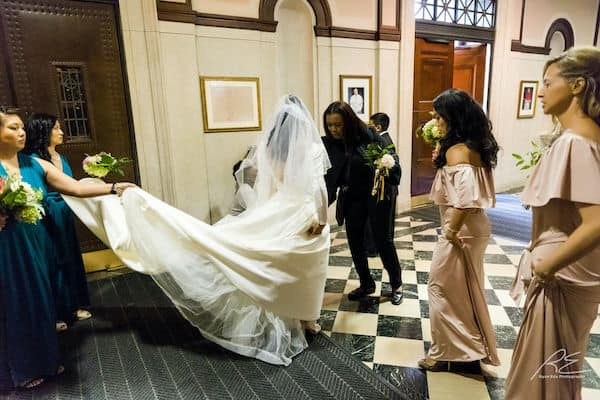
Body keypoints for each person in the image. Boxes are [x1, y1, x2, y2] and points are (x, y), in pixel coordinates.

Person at [61, 95, 331, 366]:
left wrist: (262, 215)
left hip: (279, 209)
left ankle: (291, 313)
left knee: (270, 263)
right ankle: (307, 317)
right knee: (305, 266)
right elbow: (319, 190)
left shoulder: (271, 149)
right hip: (301, 213)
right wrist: (320, 219)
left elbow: (268, 186)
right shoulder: (311, 149)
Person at [0, 109, 134, 391]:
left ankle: (43, 361)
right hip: (7, 248)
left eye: (22, 127)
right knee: (15, 303)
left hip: (35, 243)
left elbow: (75, 188)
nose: (21, 132)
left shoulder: (34, 164)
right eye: (13, 128)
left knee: (39, 299)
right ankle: (20, 370)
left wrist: (114, 187)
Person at [505, 46, 600, 399]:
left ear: (577, 86)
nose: (540, 91)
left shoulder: (575, 142)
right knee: (556, 371)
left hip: (562, 275)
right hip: (570, 271)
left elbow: (596, 222)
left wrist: (546, 267)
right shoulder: (584, 137)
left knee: (540, 378)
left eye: (547, 82)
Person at [418, 89, 500, 371]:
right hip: (476, 228)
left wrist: (450, 232)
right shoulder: (475, 146)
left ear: (454, 118)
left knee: (439, 288)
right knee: (466, 291)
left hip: (461, 229)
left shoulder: (457, 152)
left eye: (440, 117)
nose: (437, 123)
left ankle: (443, 353)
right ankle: (470, 348)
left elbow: (464, 200)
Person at [322, 102, 403, 305]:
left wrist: (389, 166)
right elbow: (328, 177)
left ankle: (396, 285)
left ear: (348, 122)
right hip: (352, 197)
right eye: (329, 125)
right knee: (355, 242)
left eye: (338, 125)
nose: (333, 129)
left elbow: (391, 156)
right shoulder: (329, 144)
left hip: (377, 194)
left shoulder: (367, 135)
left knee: (383, 240)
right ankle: (367, 283)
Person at [22, 113, 91, 330]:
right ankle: (54, 313)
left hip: (64, 213)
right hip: (46, 214)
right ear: (43, 132)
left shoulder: (62, 158)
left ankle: (74, 305)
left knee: (69, 256)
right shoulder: (31, 161)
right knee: (51, 261)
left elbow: (72, 186)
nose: (61, 132)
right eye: (57, 129)